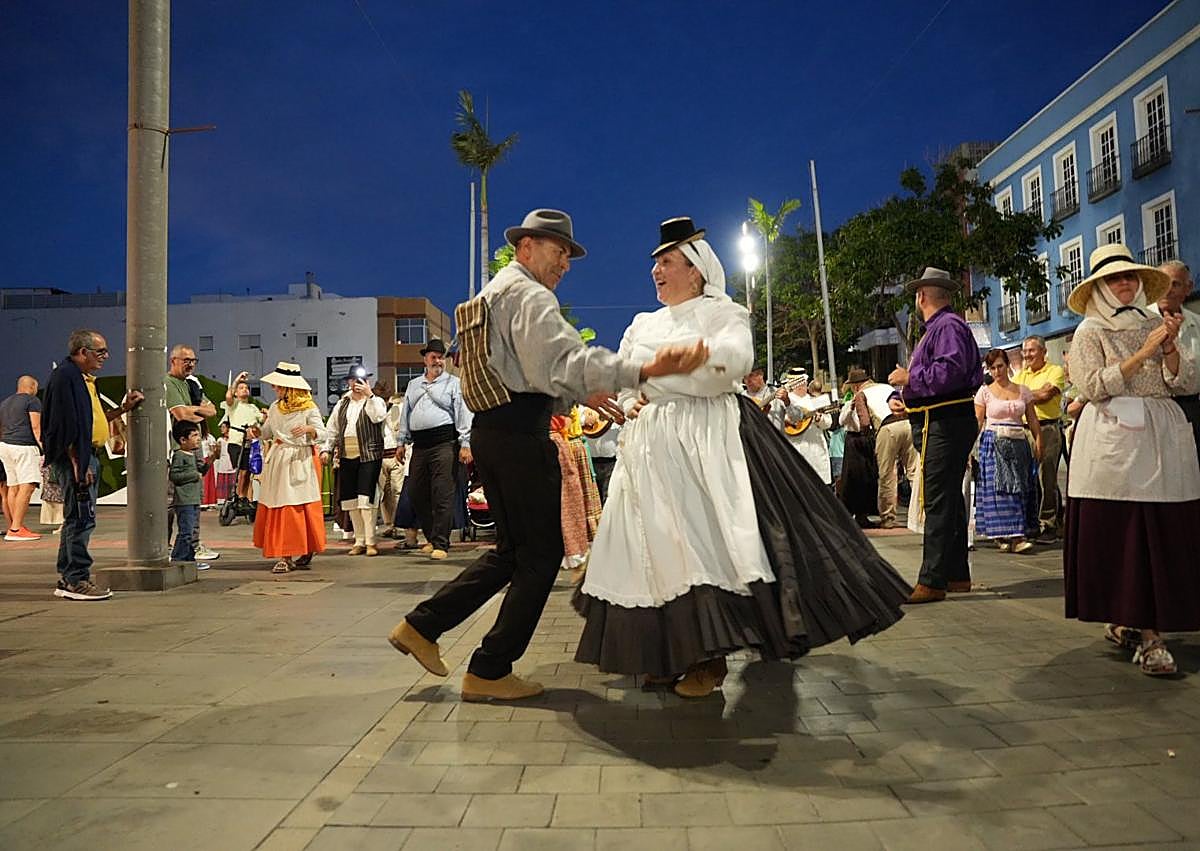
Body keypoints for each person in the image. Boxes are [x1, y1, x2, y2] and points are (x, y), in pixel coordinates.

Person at [575, 217, 911, 698]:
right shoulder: (642, 324)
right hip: (649, 448)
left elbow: (727, 368)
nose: (656, 271)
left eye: (666, 262)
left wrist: (655, 377)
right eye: (655, 264)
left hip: (706, 441)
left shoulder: (724, 314)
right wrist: (635, 397)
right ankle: (667, 654)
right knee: (653, 548)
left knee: (702, 545)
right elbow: (629, 384)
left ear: (695, 270)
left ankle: (707, 659)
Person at [388, 208, 708, 702]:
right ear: (527, 248)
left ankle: (423, 626)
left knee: (513, 552)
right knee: (541, 555)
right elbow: (565, 360)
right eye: (559, 252)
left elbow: (527, 371)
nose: (566, 265)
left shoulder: (492, 295)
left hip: (494, 433)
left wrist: (577, 395)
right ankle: (489, 667)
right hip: (519, 438)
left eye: (568, 256)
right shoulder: (528, 295)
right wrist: (644, 368)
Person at [1064, 244, 1200, 676]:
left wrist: (1171, 348)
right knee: (1126, 534)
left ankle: (1143, 625)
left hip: (1161, 435)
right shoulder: (1089, 331)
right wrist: (1142, 354)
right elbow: (1091, 385)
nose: (1123, 284)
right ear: (1100, 287)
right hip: (1114, 441)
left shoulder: (1158, 322)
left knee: (1161, 531)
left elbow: (1184, 382)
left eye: (1129, 277)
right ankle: (1144, 631)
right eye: (1113, 279)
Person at [889, 268, 984, 604]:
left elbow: (949, 372)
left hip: (943, 422)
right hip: (942, 418)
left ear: (922, 297)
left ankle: (932, 579)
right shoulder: (946, 327)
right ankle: (956, 574)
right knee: (950, 499)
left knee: (938, 499)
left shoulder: (946, 327)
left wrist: (909, 379)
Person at [42, 329, 144, 600]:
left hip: (85, 456)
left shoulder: (82, 379)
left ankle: (69, 578)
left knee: (78, 519)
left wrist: (123, 410)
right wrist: (80, 462)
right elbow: (67, 424)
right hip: (77, 459)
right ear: (82, 352)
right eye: (100, 352)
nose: (105, 356)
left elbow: (91, 419)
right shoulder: (67, 378)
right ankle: (76, 579)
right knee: (81, 520)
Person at [396, 339, 473, 561]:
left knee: (442, 493)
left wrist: (465, 443)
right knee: (417, 493)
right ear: (425, 359)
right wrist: (401, 441)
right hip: (419, 444)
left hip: (445, 443)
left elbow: (462, 412)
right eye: (433, 356)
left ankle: (441, 542)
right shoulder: (413, 384)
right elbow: (406, 414)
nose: (437, 360)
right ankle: (431, 536)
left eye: (441, 357)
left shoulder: (453, 383)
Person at [251, 362, 329, 574]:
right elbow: (267, 432)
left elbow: (323, 433)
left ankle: (303, 549)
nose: (275, 389)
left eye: (278, 385)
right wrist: (257, 431)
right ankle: (285, 554)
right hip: (279, 459)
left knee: (299, 506)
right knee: (279, 505)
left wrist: (310, 428)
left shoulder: (309, 407)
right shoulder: (276, 407)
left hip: (300, 459)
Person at [974, 349, 1042, 553]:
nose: (997, 371)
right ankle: (1008, 535)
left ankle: (1017, 534)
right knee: (1000, 490)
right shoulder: (984, 392)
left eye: (1000, 366)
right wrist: (969, 448)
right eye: (992, 368)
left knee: (1019, 488)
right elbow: (978, 422)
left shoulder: (1023, 390)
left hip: (1018, 442)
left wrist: (1039, 440)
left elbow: (1032, 418)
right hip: (993, 443)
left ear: (1007, 366)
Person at [322, 365, 388, 556]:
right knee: (350, 500)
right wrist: (327, 449)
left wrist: (370, 395)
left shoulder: (375, 401)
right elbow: (333, 428)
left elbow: (378, 417)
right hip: (347, 455)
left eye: (360, 380)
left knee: (366, 499)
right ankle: (358, 540)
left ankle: (370, 541)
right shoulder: (342, 403)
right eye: (352, 380)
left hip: (369, 455)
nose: (355, 384)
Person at [165, 345, 219, 561]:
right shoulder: (168, 383)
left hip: (193, 447)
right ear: (173, 360)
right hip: (176, 448)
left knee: (194, 501)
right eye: (186, 360)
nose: (190, 364)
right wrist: (197, 411)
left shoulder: (191, 384)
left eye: (193, 360)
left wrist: (193, 411)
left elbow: (212, 410)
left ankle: (191, 546)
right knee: (172, 502)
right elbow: (180, 414)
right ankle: (170, 547)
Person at [1012, 336, 1066, 541]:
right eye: (1025, 351)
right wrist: (1030, 393)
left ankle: (1049, 523)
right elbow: (1010, 394)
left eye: (1031, 351)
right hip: (1024, 430)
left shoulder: (1055, 371)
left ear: (1043, 352)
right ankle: (1032, 521)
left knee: (1047, 477)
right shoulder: (1020, 375)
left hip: (1048, 429)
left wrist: (1023, 394)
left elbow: (1047, 395)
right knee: (1027, 478)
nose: (1027, 355)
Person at [1151, 260, 1199, 464]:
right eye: (1162, 282)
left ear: (1189, 288)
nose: (1167, 290)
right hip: (1154, 414)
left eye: (1175, 284)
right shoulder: (1140, 323)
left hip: (1192, 412)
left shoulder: (1197, 324)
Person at [770, 367, 833, 485]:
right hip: (794, 450)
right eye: (798, 383)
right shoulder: (784, 401)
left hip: (816, 452)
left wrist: (820, 419)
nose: (801, 386)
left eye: (803, 382)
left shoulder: (817, 400)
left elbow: (828, 423)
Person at [0, 375, 44, 541]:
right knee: (28, 486)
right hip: (23, 447)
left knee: (14, 486)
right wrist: (43, 448)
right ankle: (16, 529)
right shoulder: (32, 401)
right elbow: (35, 426)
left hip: (5, 446)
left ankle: (15, 526)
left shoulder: (5, 403)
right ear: (32, 386)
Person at [837, 368, 881, 525]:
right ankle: (849, 512)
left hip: (867, 439)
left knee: (868, 477)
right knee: (853, 476)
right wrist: (851, 408)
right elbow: (842, 421)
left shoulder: (870, 401)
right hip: (853, 441)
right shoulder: (849, 402)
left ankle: (864, 513)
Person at [875, 390, 919, 529]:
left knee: (887, 474)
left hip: (888, 427)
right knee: (914, 473)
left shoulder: (860, 395)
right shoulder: (888, 389)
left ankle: (888, 517)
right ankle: (920, 514)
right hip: (908, 424)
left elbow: (863, 421)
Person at [169, 420, 210, 569]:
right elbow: (174, 476)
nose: (198, 438)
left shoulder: (191, 455)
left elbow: (201, 471)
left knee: (191, 531)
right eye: (194, 435)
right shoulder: (179, 455)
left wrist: (211, 459)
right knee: (185, 531)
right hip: (184, 500)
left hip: (193, 499)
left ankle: (189, 560)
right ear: (183, 440)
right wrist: (194, 475)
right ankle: (178, 558)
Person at [221, 371, 264, 508]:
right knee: (242, 471)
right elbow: (228, 395)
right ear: (236, 392)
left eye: (246, 388)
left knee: (248, 472)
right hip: (236, 441)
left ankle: (244, 496)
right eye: (241, 388)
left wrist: (266, 415)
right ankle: (238, 496)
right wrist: (237, 380)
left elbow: (262, 421)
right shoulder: (234, 405)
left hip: (249, 443)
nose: (245, 389)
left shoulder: (253, 408)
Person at [376, 384, 406, 539]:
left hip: (395, 454)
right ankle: (389, 525)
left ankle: (398, 524)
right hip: (380, 456)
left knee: (396, 490)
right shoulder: (374, 410)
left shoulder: (398, 409)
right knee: (384, 493)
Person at [581, 405, 619, 504]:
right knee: (593, 501)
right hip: (590, 463)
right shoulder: (583, 407)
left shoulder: (615, 405)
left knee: (609, 499)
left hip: (612, 462)